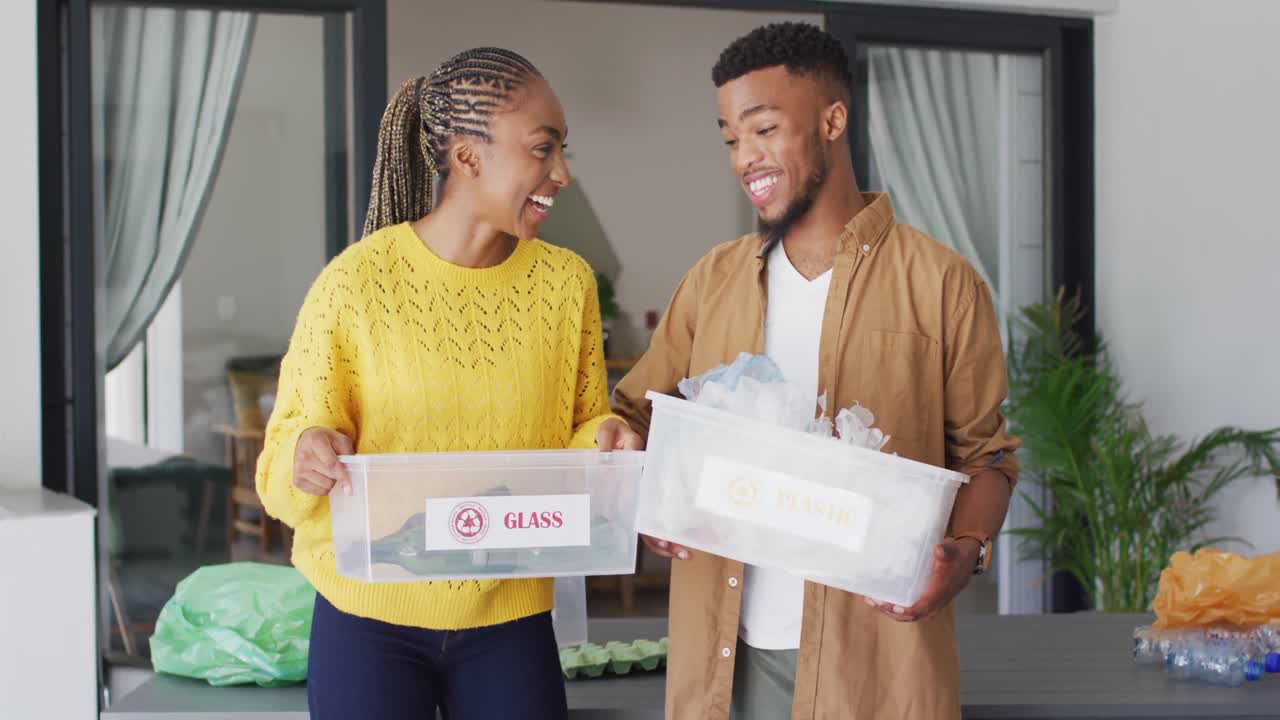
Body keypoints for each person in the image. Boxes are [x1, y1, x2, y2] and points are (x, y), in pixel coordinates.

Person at [612, 23, 1020, 720]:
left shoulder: (943, 284)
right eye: (731, 139)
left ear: (833, 120)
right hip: (725, 665)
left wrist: (966, 550)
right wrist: (637, 469)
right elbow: (632, 416)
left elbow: (990, 460)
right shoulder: (712, 281)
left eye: (763, 129)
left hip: (876, 672)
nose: (745, 157)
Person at [256, 47, 641, 720]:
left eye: (561, 151)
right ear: (467, 157)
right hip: (366, 614)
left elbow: (580, 424)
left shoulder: (566, 284)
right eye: (543, 150)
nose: (562, 174)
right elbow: (280, 467)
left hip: (509, 614)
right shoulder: (354, 283)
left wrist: (602, 436)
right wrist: (306, 455)